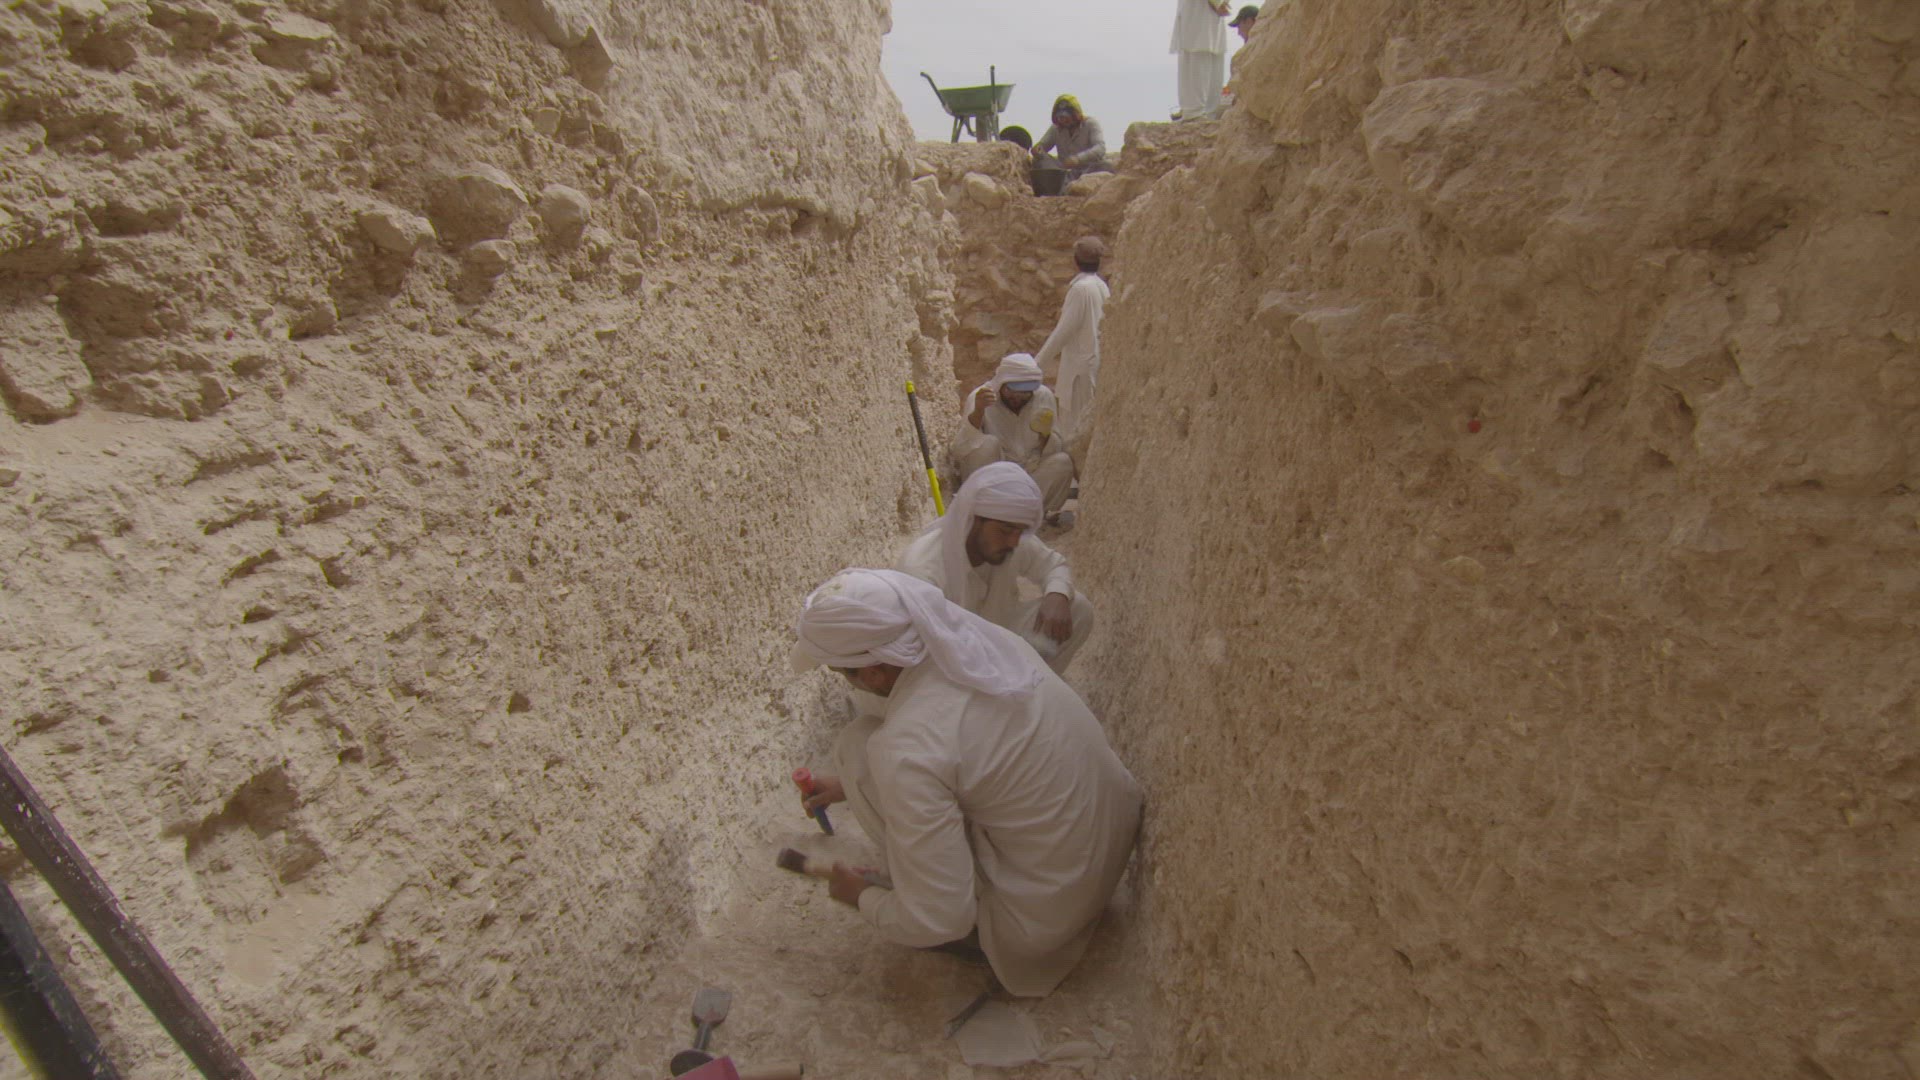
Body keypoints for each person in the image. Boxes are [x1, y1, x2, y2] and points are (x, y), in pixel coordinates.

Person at [789, 569, 1143, 997]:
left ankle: (979, 928)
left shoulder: (904, 748)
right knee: (865, 752)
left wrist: (864, 897)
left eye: (843, 672)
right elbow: (968, 750)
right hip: (1104, 852)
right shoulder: (983, 645)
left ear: (877, 672)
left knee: (855, 747)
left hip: (1040, 922)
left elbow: (942, 917)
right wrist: (850, 784)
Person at [895, 462, 1096, 674]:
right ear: (974, 519)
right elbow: (924, 651)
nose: (1014, 542)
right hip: (950, 659)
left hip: (1001, 636)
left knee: (1078, 609)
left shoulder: (1011, 538)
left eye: (1020, 532)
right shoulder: (921, 569)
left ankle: (1034, 684)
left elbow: (1054, 566)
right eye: (1005, 531)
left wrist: (1056, 594)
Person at [953, 353, 1074, 517]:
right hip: (995, 482)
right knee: (987, 444)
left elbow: (1055, 448)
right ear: (1001, 384)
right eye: (1013, 391)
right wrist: (979, 410)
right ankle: (986, 514)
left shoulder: (1043, 396)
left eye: (1025, 393)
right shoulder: (980, 397)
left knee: (1063, 462)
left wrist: (1046, 436)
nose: (1018, 398)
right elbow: (961, 448)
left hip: (1029, 476)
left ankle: (1035, 517)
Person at [1033, 236, 1110, 470]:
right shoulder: (1101, 286)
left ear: (1075, 260)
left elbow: (1064, 331)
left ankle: (1076, 479)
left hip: (1079, 371)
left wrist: (1035, 366)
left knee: (1073, 428)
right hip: (1093, 365)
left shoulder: (1081, 289)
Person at [1170, 0, 1230, 120]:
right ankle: (1194, 112)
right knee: (1198, 56)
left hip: (1211, 17)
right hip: (1197, 16)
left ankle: (1206, 113)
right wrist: (1218, 3)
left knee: (1212, 62)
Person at [1030, 95, 1109, 181]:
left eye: (1066, 117)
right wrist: (1038, 150)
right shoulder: (1055, 128)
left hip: (1090, 171)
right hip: (1065, 172)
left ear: (1076, 115)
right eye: (1060, 117)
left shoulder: (1091, 124)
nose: (1063, 120)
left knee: (1105, 166)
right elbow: (1042, 146)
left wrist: (1078, 159)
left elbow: (1100, 148)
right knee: (1039, 160)